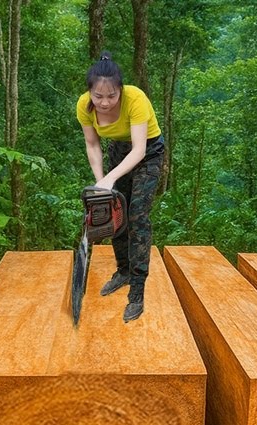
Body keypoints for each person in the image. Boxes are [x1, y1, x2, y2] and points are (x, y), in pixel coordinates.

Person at [76, 51, 164, 323]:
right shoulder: (83, 105)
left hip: (147, 154)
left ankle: (137, 290)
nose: (104, 102)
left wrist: (110, 179)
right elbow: (92, 144)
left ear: (120, 90)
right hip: (117, 153)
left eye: (111, 96)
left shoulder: (135, 98)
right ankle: (123, 271)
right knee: (115, 213)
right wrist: (101, 183)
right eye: (98, 96)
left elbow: (138, 149)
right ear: (90, 92)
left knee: (137, 216)